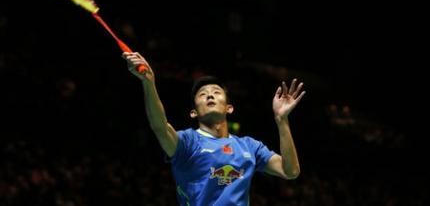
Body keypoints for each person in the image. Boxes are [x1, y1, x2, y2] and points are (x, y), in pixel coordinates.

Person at [122, 52, 306, 206]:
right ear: (194, 113)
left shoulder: (250, 147)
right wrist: (149, 83)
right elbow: (160, 127)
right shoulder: (188, 142)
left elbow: (290, 171)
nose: (210, 94)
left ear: (229, 108)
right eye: (203, 94)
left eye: (217, 92)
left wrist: (282, 120)